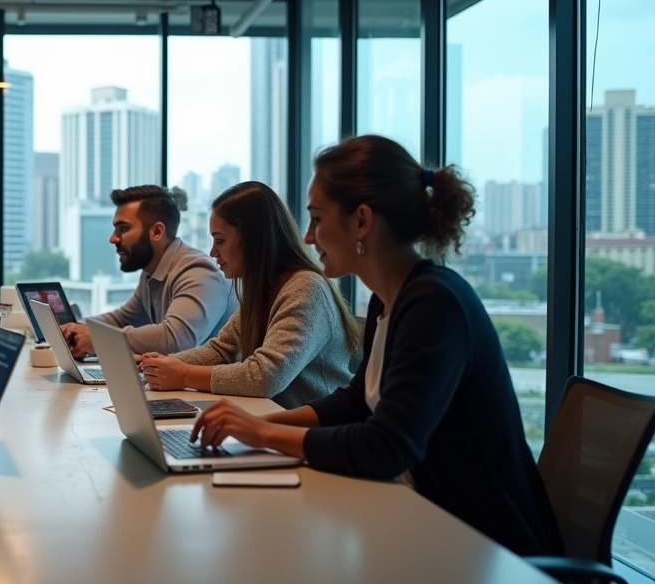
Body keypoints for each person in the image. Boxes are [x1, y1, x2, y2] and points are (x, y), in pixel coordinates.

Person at [189, 135, 563, 557]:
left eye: (316, 219)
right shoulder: (389, 299)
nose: (309, 237)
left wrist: (263, 433)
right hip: (424, 520)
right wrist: (263, 427)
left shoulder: (435, 304)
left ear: (361, 221)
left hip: (483, 546)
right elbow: (355, 401)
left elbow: (385, 447)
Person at [137, 182, 358, 408]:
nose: (213, 252)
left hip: (314, 434)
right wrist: (159, 366)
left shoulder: (306, 288)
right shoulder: (266, 288)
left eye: (220, 240)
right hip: (272, 421)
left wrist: (184, 375)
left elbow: (266, 377)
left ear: (255, 239)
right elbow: (222, 350)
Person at [59, 185, 234, 357]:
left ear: (157, 232)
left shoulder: (197, 272)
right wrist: (75, 329)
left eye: (123, 228)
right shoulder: (152, 273)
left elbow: (174, 339)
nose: (113, 238)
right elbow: (121, 320)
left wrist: (98, 339)